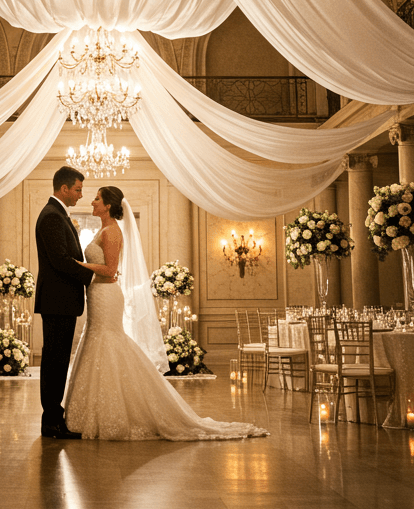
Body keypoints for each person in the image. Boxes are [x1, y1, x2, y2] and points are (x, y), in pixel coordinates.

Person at [64, 185, 269, 442]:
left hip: (107, 295)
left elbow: (112, 269)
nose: (92, 202)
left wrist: (77, 265)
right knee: (98, 342)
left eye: (96, 199)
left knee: (109, 342)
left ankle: (115, 412)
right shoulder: (101, 229)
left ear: (107, 205)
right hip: (97, 296)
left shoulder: (112, 231)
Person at [34, 165, 109, 439]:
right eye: (77, 189)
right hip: (57, 300)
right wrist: (93, 276)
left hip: (61, 300)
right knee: (54, 361)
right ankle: (51, 421)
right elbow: (61, 261)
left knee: (57, 360)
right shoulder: (52, 216)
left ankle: (54, 417)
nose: (81, 195)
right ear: (63, 188)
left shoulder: (58, 214)